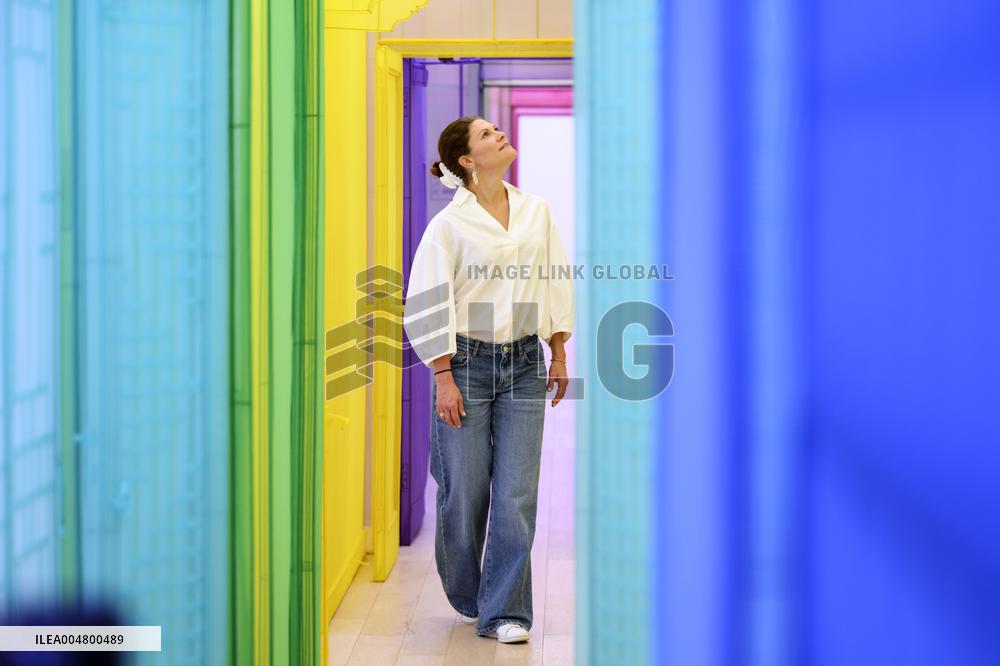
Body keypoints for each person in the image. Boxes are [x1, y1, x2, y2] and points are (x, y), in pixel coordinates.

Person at [402, 116, 574, 644]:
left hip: (523, 363)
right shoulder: (448, 226)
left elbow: (555, 280)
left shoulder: (536, 212)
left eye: (496, 129)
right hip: (465, 365)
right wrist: (442, 376)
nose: (498, 134)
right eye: (485, 135)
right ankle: (467, 590)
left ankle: (505, 612)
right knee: (464, 494)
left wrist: (558, 351)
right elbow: (428, 298)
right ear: (467, 160)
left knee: (517, 494)